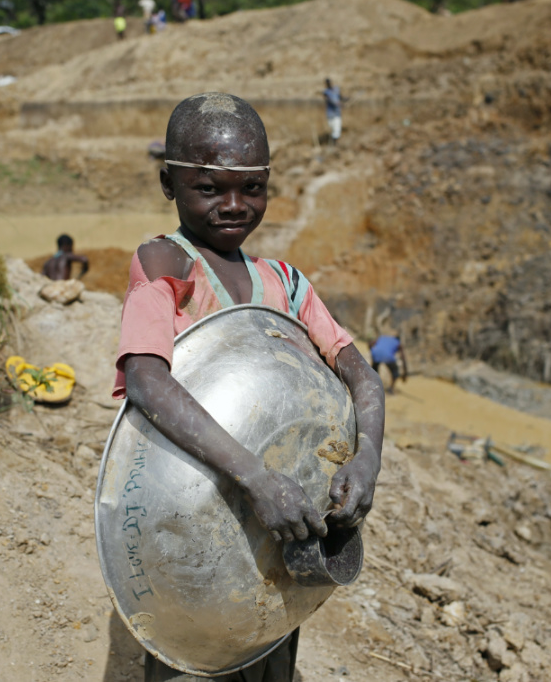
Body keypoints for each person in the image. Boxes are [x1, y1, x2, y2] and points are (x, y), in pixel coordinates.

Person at [112, 92, 385, 682]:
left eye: (251, 188)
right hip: (194, 524)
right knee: (196, 658)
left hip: (282, 529)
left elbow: (360, 374)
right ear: (169, 183)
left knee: (269, 649)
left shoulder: (285, 284)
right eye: (209, 188)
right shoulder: (166, 266)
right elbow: (146, 380)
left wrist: (367, 459)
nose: (233, 206)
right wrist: (257, 479)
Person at [322, 78, 347, 144]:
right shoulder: (325, 92)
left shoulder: (336, 89)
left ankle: (334, 142)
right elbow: (330, 100)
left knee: (337, 128)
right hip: (330, 113)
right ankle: (333, 141)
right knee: (332, 127)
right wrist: (340, 104)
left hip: (337, 113)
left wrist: (347, 99)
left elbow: (341, 98)